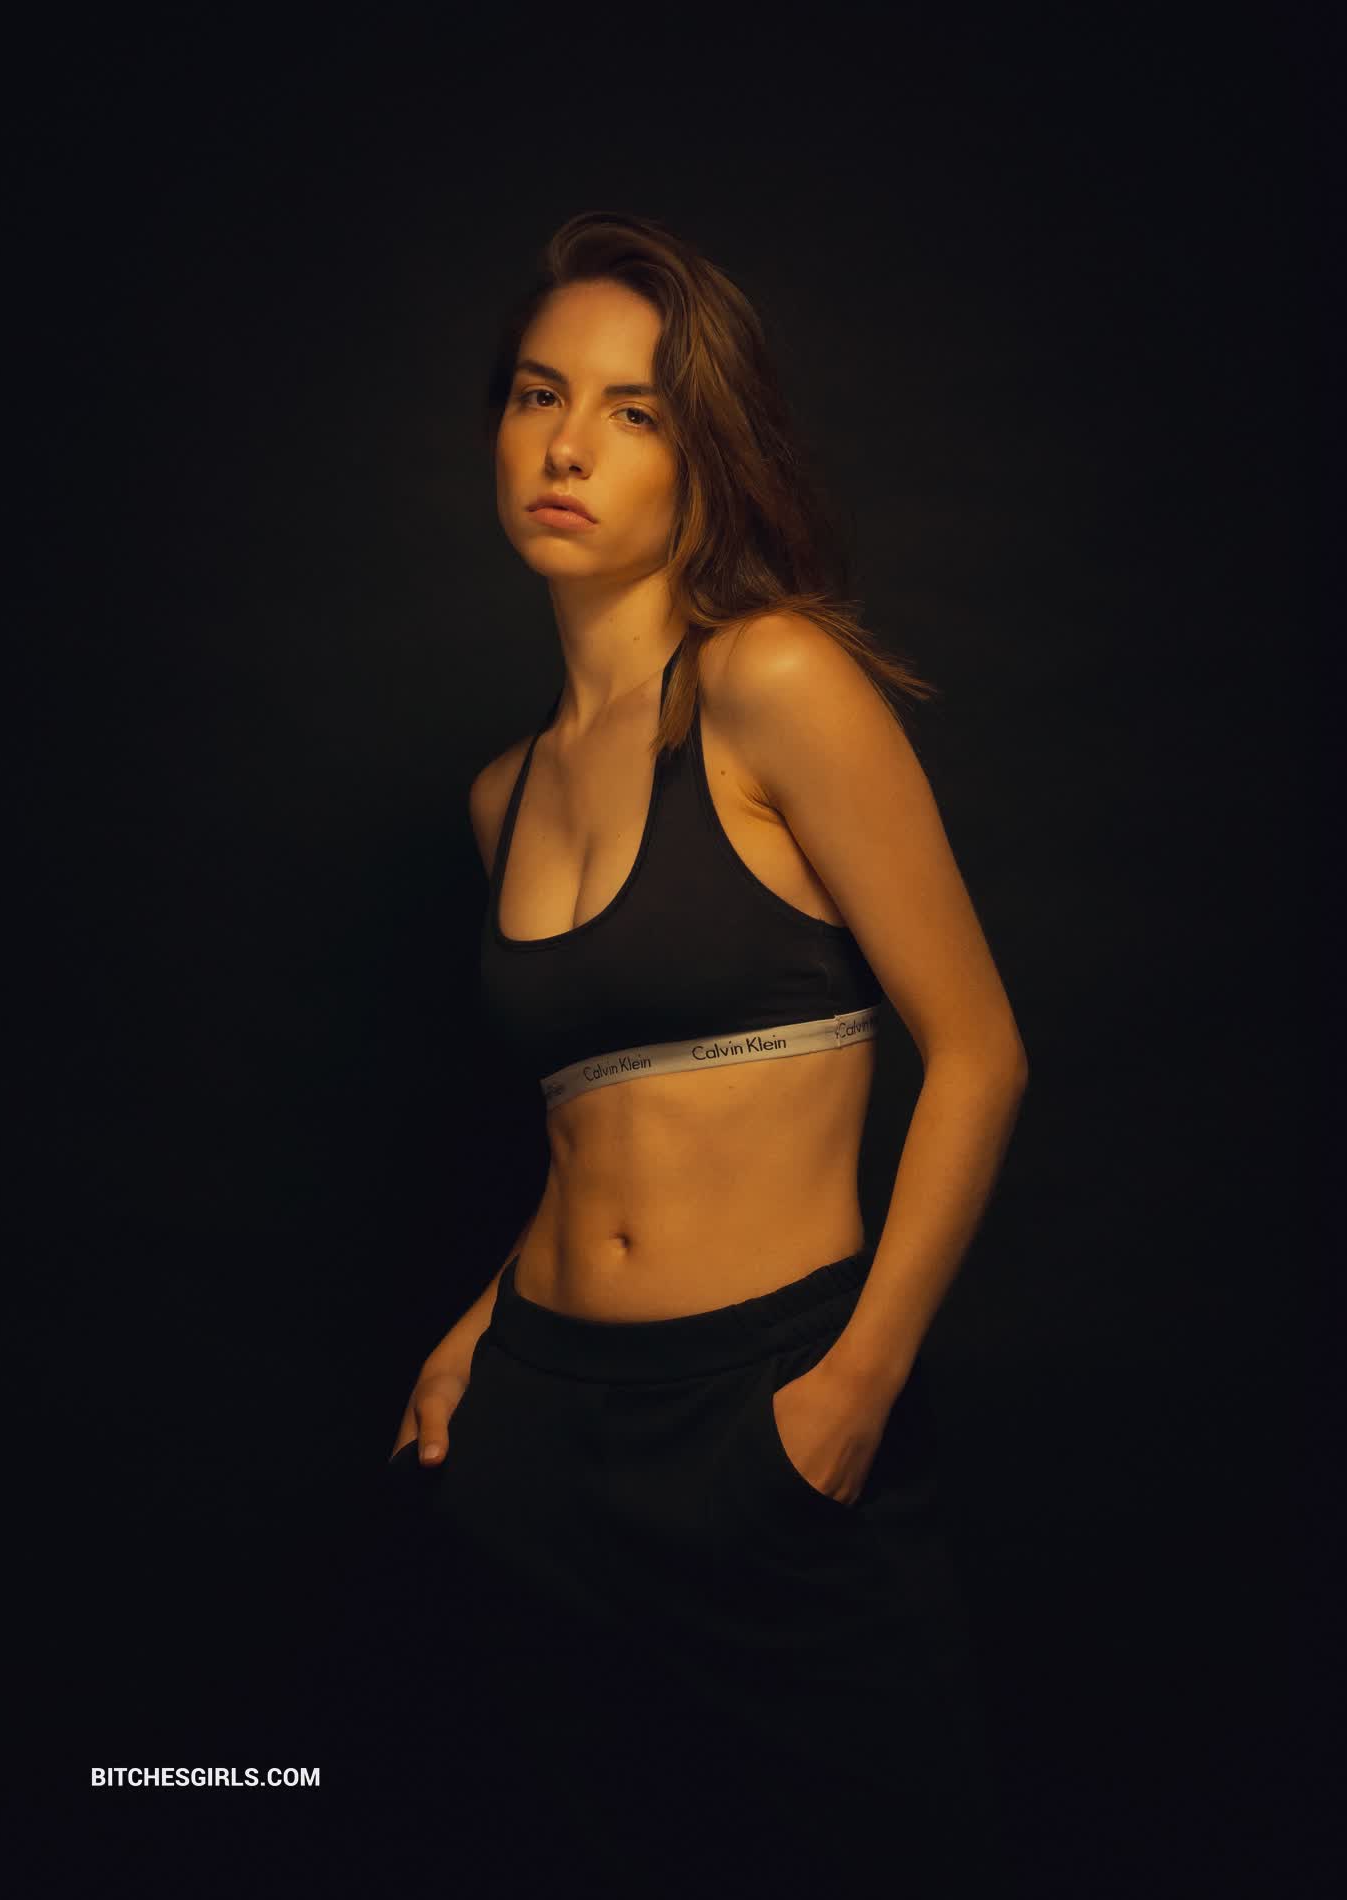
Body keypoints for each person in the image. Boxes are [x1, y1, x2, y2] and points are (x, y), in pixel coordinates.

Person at [386, 212, 1030, 1897]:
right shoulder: (502, 795)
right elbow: (591, 1129)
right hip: (535, 1434)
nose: (568, 446)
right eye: (539, 395)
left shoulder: (772, 682)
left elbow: (977, 1053)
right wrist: (475, 1331)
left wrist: (851, 1395)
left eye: (633, 411)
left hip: (763, 1415)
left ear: (702, 456)